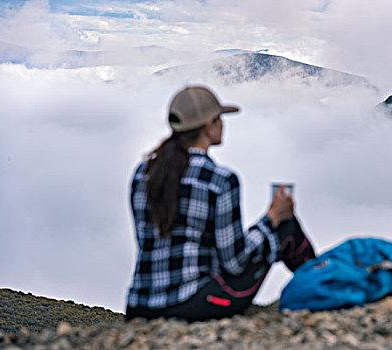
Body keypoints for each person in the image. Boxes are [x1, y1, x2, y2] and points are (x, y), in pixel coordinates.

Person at [125, 85, 316, 322]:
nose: (223, 124)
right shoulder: (220, 179)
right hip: (192, 305)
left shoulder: (143, 173)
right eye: (220, 119)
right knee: (285, 228)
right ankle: (324, 288)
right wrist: (273, 217)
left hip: (139, 308)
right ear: (209, 126)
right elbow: (235, 262)